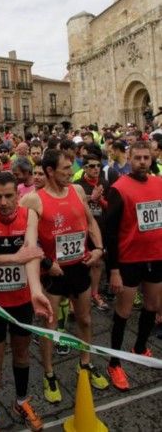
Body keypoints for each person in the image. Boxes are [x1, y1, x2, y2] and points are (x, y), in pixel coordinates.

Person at [0, 171, 52, 432]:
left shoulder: (29, 217)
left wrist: (36, 290)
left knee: (23, 352)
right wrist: (13, 259)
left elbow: (32, 252)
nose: (3, 202)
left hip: (22, 299)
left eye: (8, 196)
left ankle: (22, 401)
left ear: (18, 195)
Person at [21, 149, 108, 404]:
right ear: (49, 171)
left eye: (71, 168)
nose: (71, 173)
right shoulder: (33, 200)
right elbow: (23, 237)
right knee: (50, 328)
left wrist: (99, 250)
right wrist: (47, 262)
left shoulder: (77, 191)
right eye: (65, 169)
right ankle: (49, 373)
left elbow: (91, 222)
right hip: (54, 273)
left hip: (80, 266)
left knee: (85, 319)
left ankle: (86, 363)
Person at [106, 141, 162, 391]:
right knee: (123, 313)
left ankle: (140, 347)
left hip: (156, 256)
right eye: (137, 157)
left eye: (146, 158)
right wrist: (114, 269)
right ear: (129, 158)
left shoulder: (159, 184)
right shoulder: (119, 188)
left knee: (152, 306)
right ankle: (114, 363)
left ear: (152, 159)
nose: (142, 162)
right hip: (128, 260)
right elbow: (110, 232)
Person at [75, 154, 109, 311]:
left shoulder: (105, 183)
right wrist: (91, 197)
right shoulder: (77, 185)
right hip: (82, 230)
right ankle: (76, 297)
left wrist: (100, 200)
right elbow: (73, 206)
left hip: (100, 228)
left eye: (98, 166)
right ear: (84, 168)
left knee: (97, 263)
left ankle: (94, 294)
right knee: (80, 264)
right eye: (92, 166)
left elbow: (111, 206)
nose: (96, 169)